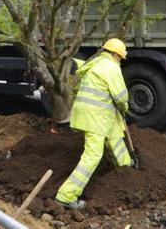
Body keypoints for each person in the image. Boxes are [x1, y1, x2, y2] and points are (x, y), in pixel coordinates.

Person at [55, 38, 132, 210]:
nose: (120, 60)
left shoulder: (94, 64)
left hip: (94, 114)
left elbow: (77, 89)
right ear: (115, 54)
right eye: (120, 57)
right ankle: (66, 196)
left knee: (115, 137)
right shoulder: (111, 67)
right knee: (93, 155)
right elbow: (121, 97)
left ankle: (126, 166)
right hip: (95, 117)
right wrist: (124, 108)